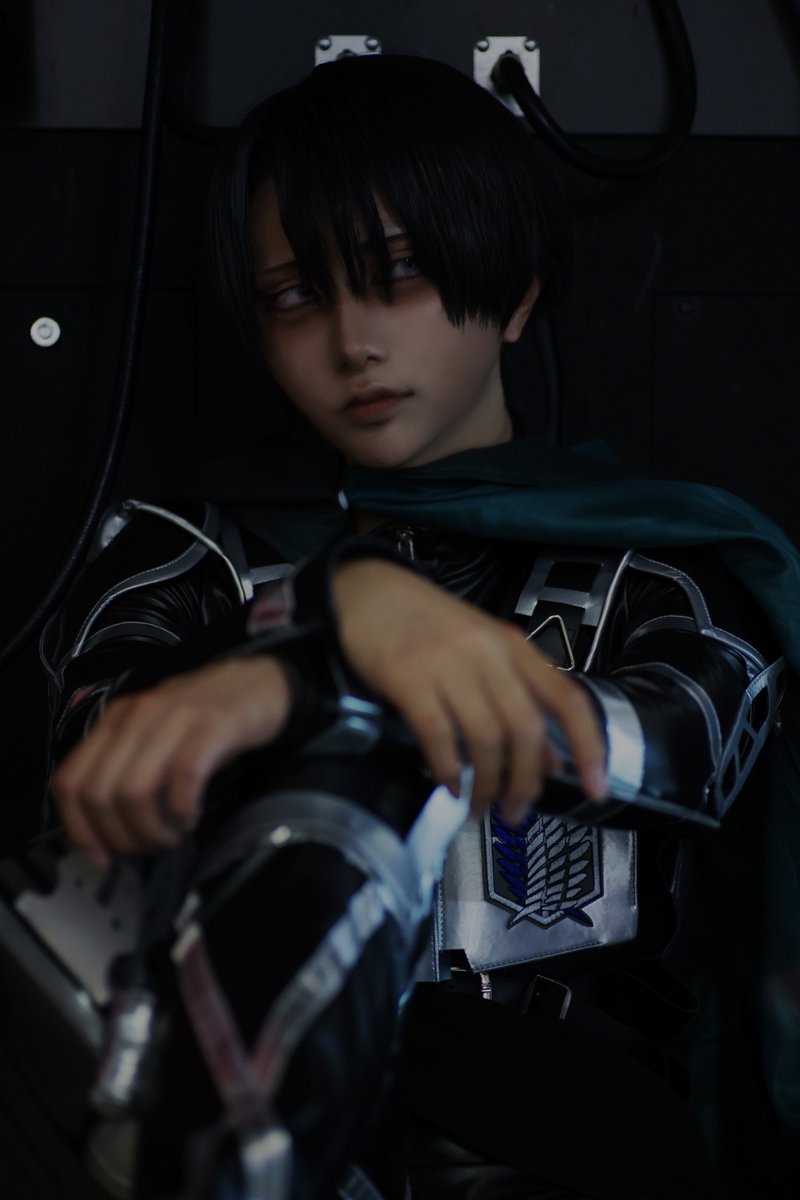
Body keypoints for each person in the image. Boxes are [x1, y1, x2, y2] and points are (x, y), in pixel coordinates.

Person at [43, 53, 796, 1200]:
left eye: (396, 275)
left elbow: (673, 740)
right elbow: (101, 752)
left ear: (517, 288)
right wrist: (322, 618)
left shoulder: (663, 563)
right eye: (296, 295)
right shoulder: (182, 549)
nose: (353, 340)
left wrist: (320, 665)